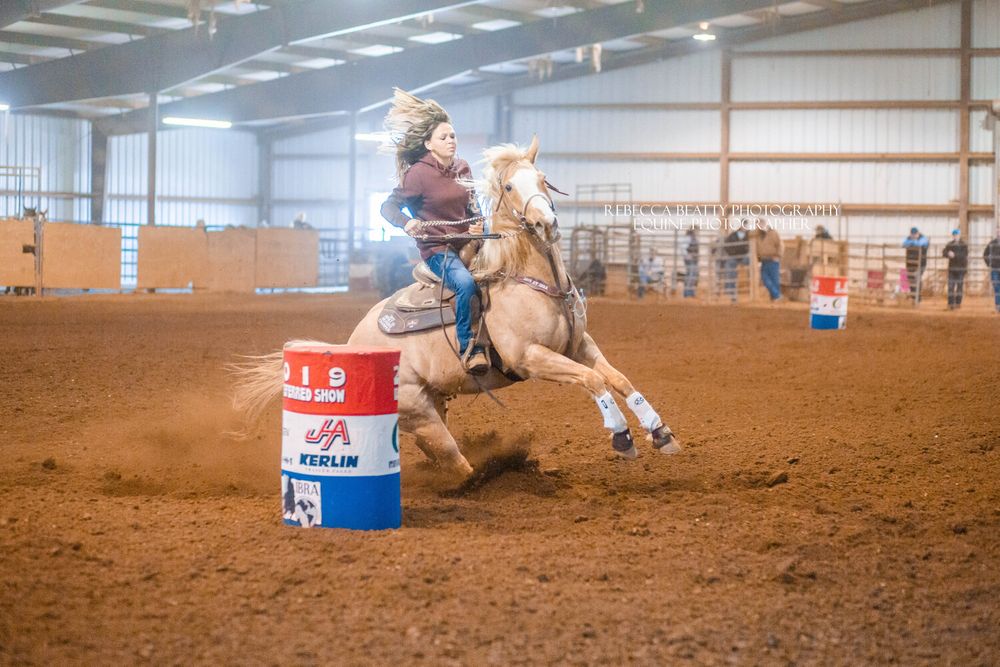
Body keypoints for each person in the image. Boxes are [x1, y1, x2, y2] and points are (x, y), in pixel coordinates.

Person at [379, 88, 488, 374]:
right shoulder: (418, 174)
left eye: (453, 136)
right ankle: (468, 348)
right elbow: (388, 207)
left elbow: (474, 208)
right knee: (465, 285)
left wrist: (479, 223)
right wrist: (407, 222)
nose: (451, 141)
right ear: (428, 144)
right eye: (444, 137)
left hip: (470, 242)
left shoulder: (463, 168)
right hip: (438, 250)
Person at [722, 225, 750, 303]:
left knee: (751, 267)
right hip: (734, 257)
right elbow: (726, 245)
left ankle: (750, 292)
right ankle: (732, 294)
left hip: (744, 257)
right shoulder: (733, 235)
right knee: (731, 274)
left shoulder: (749, 234)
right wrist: (732, 253)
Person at [756, 220, 783, 302]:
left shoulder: (773, 233)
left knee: (774, 280)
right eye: (757, 225)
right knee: (765, 279)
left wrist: (778, 255)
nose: (759, 226)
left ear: (764, 224)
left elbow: (780, 245)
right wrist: (758, 258)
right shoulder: (758, 236)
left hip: (773, 259)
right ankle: (777, 296)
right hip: (764, 260)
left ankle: (775, 298)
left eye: (760, 224)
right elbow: (757, 248)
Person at [942, 228, 968, 310]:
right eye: (954, 235)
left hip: (961, 269)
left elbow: (964, 255)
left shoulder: (964, 245)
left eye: (957, 235)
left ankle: (958, 303)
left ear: (959, 235)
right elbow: (944, 252)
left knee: (959, 286)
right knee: (951, 286)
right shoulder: (950, 244)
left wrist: (954, 255)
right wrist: (947, 253)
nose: (955, 236)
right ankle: (950, 303)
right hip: (952, 269)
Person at [902, 226, 929, 304]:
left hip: (920, 263)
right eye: (912, 234)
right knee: (911, 280)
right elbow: (904, 244)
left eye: (915, 234)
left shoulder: (923, 238)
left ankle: (918, 298)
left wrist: (912, 242)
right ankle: (914, 297)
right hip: (910, 263)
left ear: (918, 233)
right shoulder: (908, 238)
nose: (913, 236)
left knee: (916, 278)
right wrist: (912, 242)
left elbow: (921, 243)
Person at [984, 229, 1000, 313]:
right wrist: (989, 263)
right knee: (996, 287)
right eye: (998, 232)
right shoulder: (992, 243)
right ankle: (998, 305)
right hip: (994, 268)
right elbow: (985, 254)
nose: (999, 233)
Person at [683, 229, 699, 298]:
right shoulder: (689, 238)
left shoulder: (692, 238)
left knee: (692, 275)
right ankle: (687, 293)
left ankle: (690, 292)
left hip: (693, 259)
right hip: (691, 259)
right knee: (691, 276)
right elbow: (684, 248)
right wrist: (687, 255)